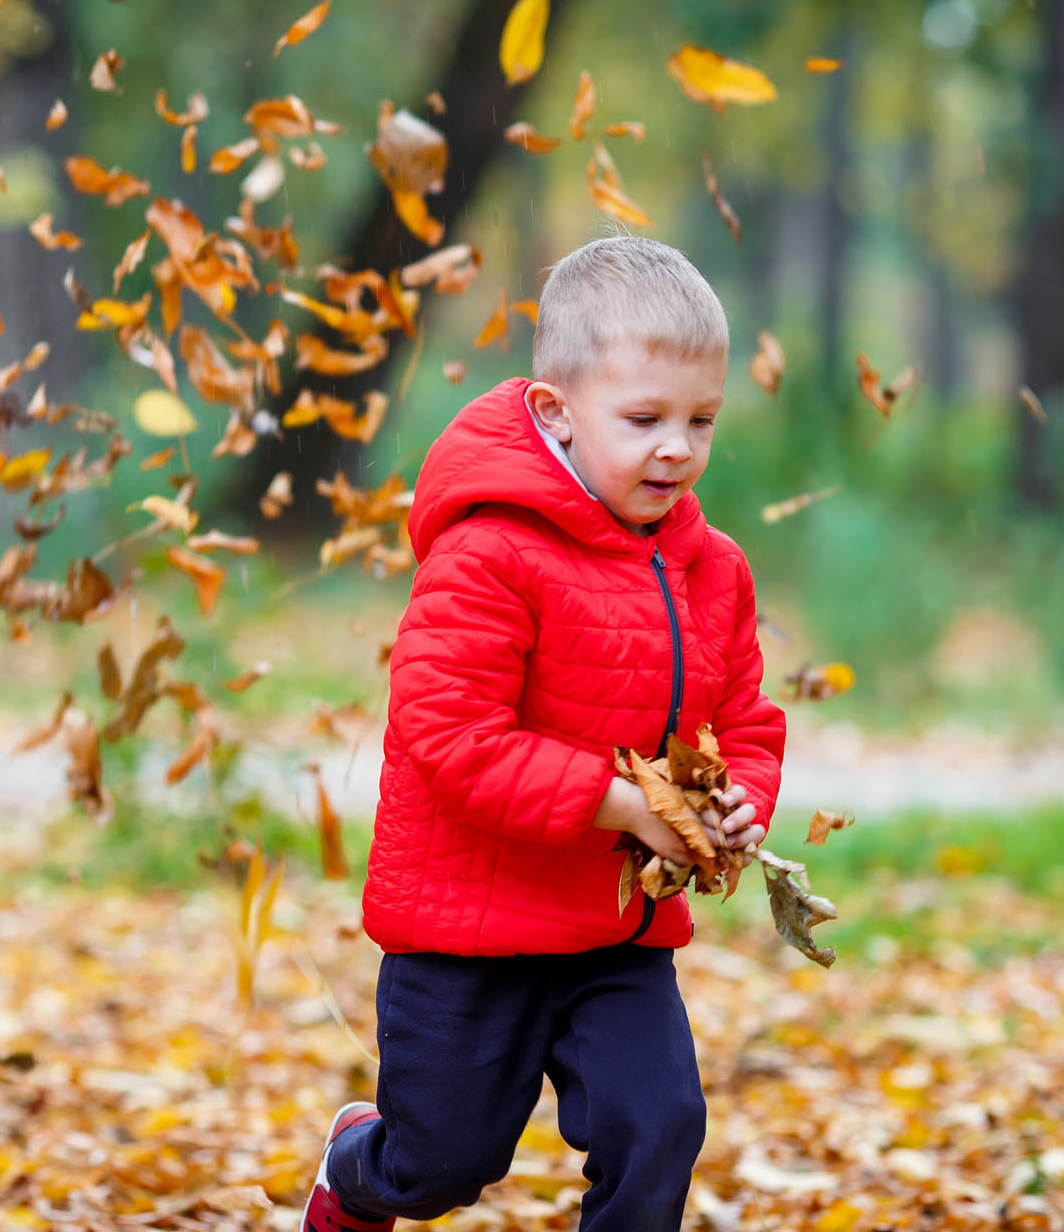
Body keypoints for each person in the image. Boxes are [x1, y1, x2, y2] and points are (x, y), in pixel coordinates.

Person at [299, 235, 787, 1232]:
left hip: (613, 930)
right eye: (644, 419)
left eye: (701, 420)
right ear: (557, 412)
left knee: (659, 1125)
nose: (677, 448)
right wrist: (625, 805)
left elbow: (742, 716)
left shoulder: (711, 568)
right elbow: (450, 735)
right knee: (442, 1161)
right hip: (468, 928)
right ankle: (357, 1168)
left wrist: (737, 800)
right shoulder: (489, 551)